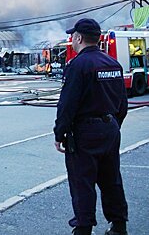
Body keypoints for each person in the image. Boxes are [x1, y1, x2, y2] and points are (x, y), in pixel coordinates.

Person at [54, 18, 129, 235]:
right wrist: (113, 125)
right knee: (111, 180)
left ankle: (83, 229)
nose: (72, 40)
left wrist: (60, 133)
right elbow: (122, 103)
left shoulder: (77, 65)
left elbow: (67, 104)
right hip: (110, 129)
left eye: (72, 36)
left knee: (82, 183)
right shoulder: (113, 64)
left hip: (85, 133)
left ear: (78, 38)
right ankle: (119, 226)